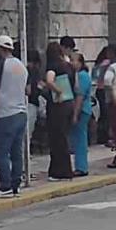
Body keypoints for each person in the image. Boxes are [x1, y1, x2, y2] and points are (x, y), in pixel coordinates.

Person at [0, 36, 28, 196]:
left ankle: (5, 185)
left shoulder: (0, 65)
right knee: (16, 152)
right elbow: (27, 89)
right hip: (21, 112)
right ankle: (15, 183)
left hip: (6, 113)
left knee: (2, 151)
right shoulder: (21, 66)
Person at [42, 43, 76, 182]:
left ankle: (59, 171)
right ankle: (65, 169)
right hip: (69, 103)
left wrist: (57, 91)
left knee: (56, 138)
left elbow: (49, 81)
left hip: (57, 105)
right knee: (64, 137)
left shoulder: (52, 66)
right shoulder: (68, 66)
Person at [72, 52, 93, 172]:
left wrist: (75, 113)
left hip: (82, 110)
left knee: (80, 138)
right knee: (79, 137)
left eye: (74, 60)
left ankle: (81, 166)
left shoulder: (82, 76)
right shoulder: (78, 75)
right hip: (83, 109)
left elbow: (80, 96)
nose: (71, 62)